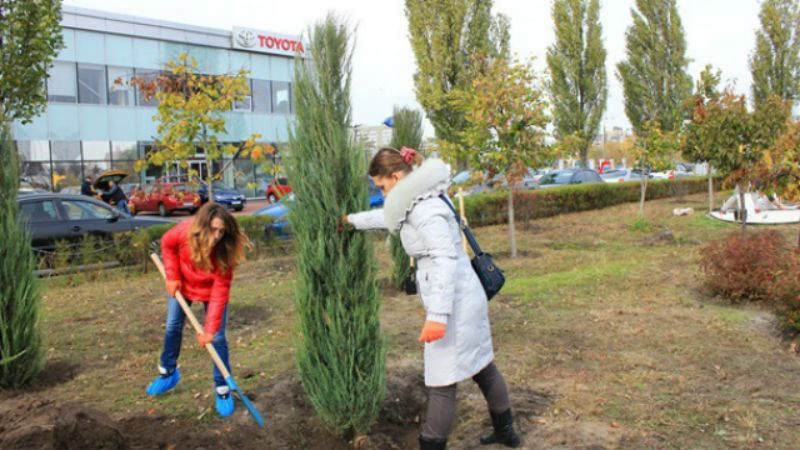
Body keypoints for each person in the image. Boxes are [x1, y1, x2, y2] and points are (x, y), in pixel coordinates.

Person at [343, 147, 520, 450]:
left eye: (382, 186)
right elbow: (388, 218)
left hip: (454, 304)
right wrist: (351, 221)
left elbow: (444, 261)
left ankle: (433, 444)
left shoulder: (426, 209)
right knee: (481, 365)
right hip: (462, 296)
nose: (382, 193)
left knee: (441, 381)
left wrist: (437, 317)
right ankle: (506, 432)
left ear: (396, 177)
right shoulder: (418, 199)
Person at [145, 203, 250, 418]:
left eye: (222, 231)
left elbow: (220, 294)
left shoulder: (225, 253)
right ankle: (168, 373)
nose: (218, 235)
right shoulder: (184, 231)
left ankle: (222, 390)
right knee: (173, 326)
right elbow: (167, 244)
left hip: (211, 292)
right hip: (182, 285)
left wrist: (209, 330)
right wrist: (172, 276)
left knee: (218, 338)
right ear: (202, 225)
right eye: (213, 229)